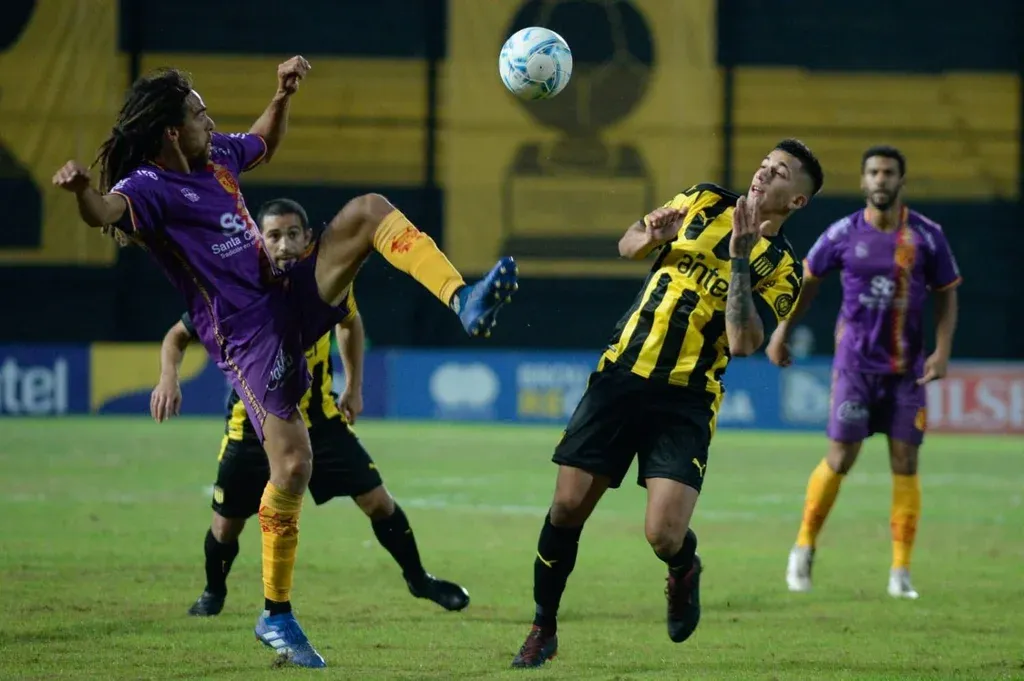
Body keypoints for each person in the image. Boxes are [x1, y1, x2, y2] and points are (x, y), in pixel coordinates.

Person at [52, 60, 517, 668]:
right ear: (171, 131)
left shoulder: (217, 154)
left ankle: (462, 298)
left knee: (368, 210)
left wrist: (281, 95)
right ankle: (275, 614)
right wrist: (81, 192)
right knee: (294, 466)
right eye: (198, 113)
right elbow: (105, 212)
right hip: (246, 335)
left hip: (284, 291)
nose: (210, 120)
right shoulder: (149, 187)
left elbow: (264, 142)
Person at [510, 140, 824, 668]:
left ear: (797, 201)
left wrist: (739, 260)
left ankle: (683, 567)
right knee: (566, 509)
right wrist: (649, 236)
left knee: (663, 535)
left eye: (780, 173)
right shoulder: (703, 200)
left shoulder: (786, 269)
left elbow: (745, 342)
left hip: (687, 400)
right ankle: (543, 627)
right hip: (621, 376)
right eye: (764, 165)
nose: (764, 174)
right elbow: (628, 244)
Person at [150, 197, 470, 618]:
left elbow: (350, 322)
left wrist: (353, 387)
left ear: (308, 240)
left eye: (292, 234)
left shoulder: (323, 283)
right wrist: (168, 377)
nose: (283, 244)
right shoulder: (237, 285)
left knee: (378, 502)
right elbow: (177, 334)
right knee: (226, 525)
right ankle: (214, 591)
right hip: (255, 424)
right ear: (257, 241)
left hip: (319, 418)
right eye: (273, 236)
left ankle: (418, 579)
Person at [768, 145, 961, 600]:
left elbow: (947, 291)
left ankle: (900, 571)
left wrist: (942, 351)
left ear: (900, 181)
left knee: (906, 463)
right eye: (873, 172)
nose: (880, 179)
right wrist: (782, 331)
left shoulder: (927, 236)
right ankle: (803, 547)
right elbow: (808, 280)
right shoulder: (842, 233)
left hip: (907, 371)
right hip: (855, 367)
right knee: (840, 459)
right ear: (862, 181)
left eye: (888, 172)